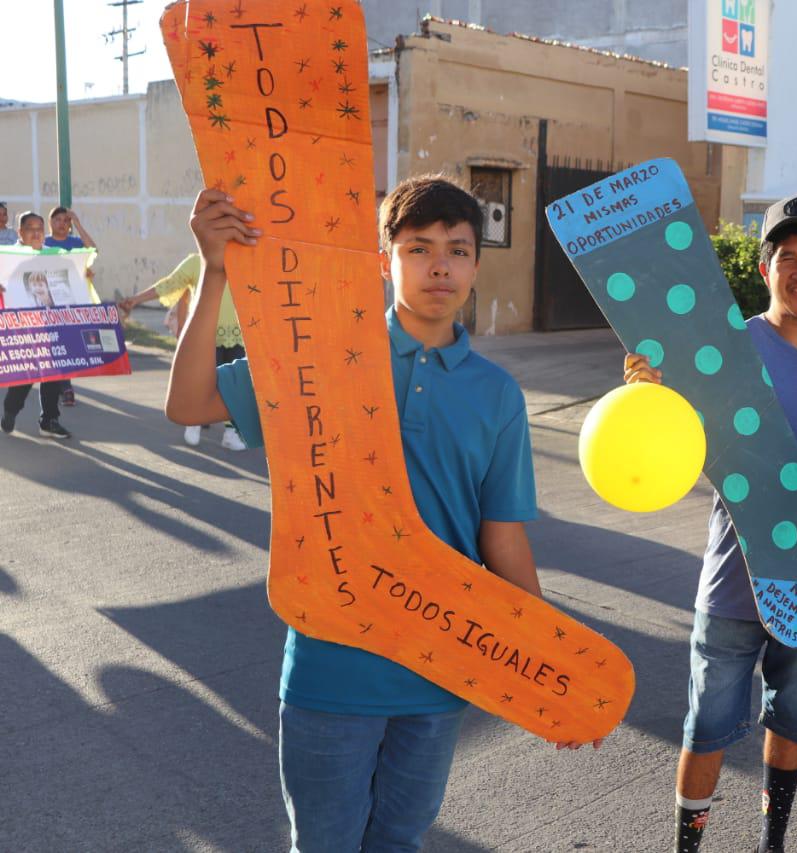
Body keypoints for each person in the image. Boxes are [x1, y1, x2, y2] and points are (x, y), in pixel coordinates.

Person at [166, 176, 595, 850]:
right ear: (383, 260)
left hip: (440, 669)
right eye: (418, 248)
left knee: (399, 840)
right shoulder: (323, 358)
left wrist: (546, 675)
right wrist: (215, 269)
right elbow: (188, 403)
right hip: (329, 667)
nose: (439, 266)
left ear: (476, 266)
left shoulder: (498, 395)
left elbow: (503, 540)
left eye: (457, 249)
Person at [624, 194, 797, 853]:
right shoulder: (730, 345)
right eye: (785, 257)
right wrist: (644, 388)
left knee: (793, 717)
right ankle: (687, 845)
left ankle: (770, 841)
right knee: (706, 725)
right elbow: (672, 425)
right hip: (731, 575)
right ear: (764, 266)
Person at [119, 253, 246, 450]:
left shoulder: (242, 260)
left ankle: (231, 431)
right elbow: (169, 284)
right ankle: (194, 421)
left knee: (234, 384)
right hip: (204, 333)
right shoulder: (197, 262)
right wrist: (136, 299)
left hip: (238, 334)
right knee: (202, 381)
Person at [1, 212, 71, 440]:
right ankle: (11, 410)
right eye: (30, 227)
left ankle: (49, 420)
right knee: (26, 376)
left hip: (51, 325)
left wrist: (83, 274)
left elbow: (71, 280)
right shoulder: (7, 256)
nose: (36, 231)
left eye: (40, 227)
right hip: (22, 328)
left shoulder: (54, 255)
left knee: (53, 373)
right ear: (19, 232)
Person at [44, 207, 96, 407]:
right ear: (50, 223)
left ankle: (63, 385)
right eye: (57, 220)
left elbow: (93, 250)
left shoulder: (74, 243)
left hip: (70, 303)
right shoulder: (44, 243)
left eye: (66, 221)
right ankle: (63, 386)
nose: (62, 224)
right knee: (55, 346)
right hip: (49, 303)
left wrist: (78, 223)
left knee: (66, 346)